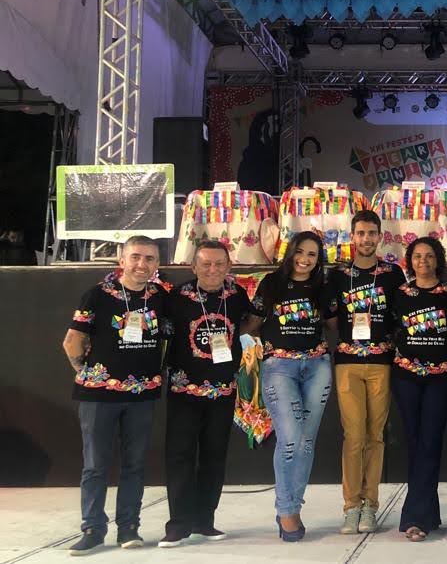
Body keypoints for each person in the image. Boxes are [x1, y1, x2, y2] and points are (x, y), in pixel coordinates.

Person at [62, 236, 171, 555]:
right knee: (95, 465)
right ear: (121, 260)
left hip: (142, 396)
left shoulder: (161, 297)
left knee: (135, 464)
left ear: (157, 264)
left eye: (149, 258)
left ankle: (129, 527)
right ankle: (93, 529)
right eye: (135, 256)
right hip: (99, 396)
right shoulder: (97, 294)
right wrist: (87, 373)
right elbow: (72, 340)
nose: (142, 264)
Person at [244, 230, 337, 542]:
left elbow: (335, 324)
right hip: (279, 367)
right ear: (290, 252)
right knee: (290, 439)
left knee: (306, 442)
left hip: (317, 366)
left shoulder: (323, 286)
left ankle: (293, 507)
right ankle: (286, 510)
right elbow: (252, 324)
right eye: (300, 252)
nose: (304, 259)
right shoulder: (272, 283)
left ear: (318, 259)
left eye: (312, 254)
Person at [160, 240, 254, 547]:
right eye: (206, 264)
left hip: (223, 391)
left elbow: (250, 322)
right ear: (193, 266)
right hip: (184, 392)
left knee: (214, 457)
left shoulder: (237, 295)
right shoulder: (177, 297)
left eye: (219, 264)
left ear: (229, 267)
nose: (213, 269)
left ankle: (205, 520)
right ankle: (178, 525)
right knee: (180, 457)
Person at [329, 210, 406, 535]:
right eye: (360, 233)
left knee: (375, 436)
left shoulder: (392, 274)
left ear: (380, 236)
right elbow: (330, 318)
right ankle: (351, 507)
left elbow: (403, 316)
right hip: (347, 363)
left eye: (371, 233)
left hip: (381, 363)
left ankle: (370, 507)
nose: (366, 239)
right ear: (352, 236)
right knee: (354, 436)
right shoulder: (338, 275)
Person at [390, 236, 447, 542]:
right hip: (406, 377)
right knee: (415, 443)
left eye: (429, 256)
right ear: (410, 261)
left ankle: (414, 517)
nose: (423, 261)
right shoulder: (401, 293)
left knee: (430, 443)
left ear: (438, 260)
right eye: (417, 256)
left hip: (441, 378)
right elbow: (391, 328)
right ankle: (428, 513)